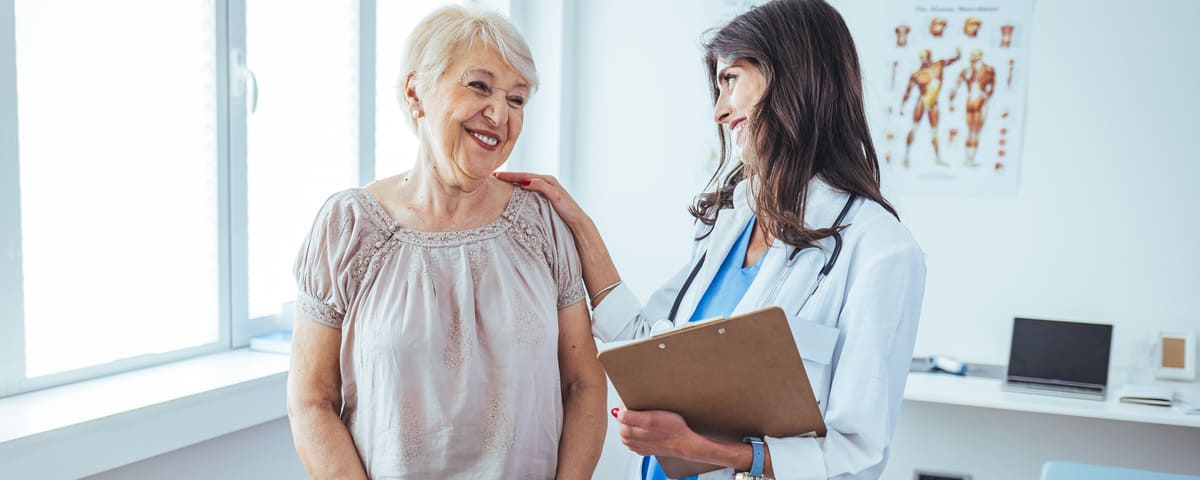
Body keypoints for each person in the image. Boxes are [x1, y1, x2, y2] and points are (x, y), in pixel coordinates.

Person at [497, 1, 926, 478]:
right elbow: (651, 345)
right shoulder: (730, 221)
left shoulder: (881, 251)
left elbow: (857, 453)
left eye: (731, 80)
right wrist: (579, 227)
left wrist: (702, 449)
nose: (720, 111)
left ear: (794, 74)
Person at [286, 6, 606, 479]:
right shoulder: (348, 226)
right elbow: (311, 400)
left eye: (517, 99)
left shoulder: (542, 223)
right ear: (416, 92)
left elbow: (583, 385)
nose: (500, 114)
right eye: (479, 86)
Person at [900, 47, 961, 168]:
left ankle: (938, 158)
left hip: (933, 103)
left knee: (935, 132)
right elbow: (908, 91)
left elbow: (951, 61)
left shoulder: (938, 65)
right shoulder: (916, 75)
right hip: (921, 102)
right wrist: (902, 106)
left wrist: (958, 55)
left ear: (930, 56)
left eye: (926, 57)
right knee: (914, 128)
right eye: (922, 57)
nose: (924, 60)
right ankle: (906, 157)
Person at [948, 49, 996, 167]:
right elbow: (991, 88)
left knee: (972, 131)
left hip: (973, 99)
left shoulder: (977, 70)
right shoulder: (984, 70)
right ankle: (970, 159)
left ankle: (969, 158)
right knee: (974, 132)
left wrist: (951, 102)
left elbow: (955, 88)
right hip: (977, 100)